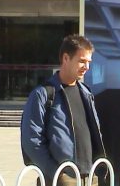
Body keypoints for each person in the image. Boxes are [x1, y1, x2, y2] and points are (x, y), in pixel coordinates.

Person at [21, 35, 106, 186]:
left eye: (88, 62)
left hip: (90, 177)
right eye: (81, 61)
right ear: (66, 58)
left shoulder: (86, 93)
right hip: (62, 179)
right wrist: (56, 173)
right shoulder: (43, 94)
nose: (86, 67)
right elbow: (31, 140)